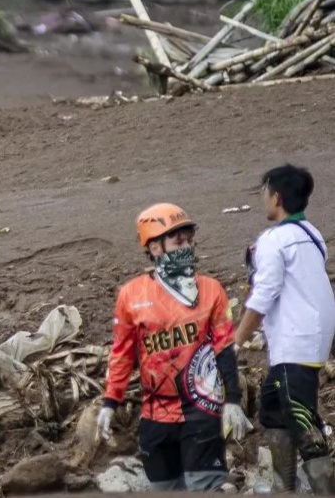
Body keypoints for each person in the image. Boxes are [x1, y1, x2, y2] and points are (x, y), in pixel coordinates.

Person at [97, 203, 251, 491]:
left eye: (189, 240)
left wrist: (232, 400)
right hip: (155, 415)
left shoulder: (211, 289)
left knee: (204, 487)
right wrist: (110, 402)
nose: (187, 247)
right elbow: (121, 353)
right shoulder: (131, 295)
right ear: (155, 248)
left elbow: (224, 348)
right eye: (178, 241)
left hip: (202, 411)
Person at [235, 164, 335, 493]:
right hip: (308, 343)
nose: (264, 200)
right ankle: (285, 488)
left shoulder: (275, 239)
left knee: (303, 422)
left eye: (265, 193)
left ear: (276, 197)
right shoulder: (312, 234)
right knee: (274, 411)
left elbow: (263, 295)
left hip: (296, 344)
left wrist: (236, 340)